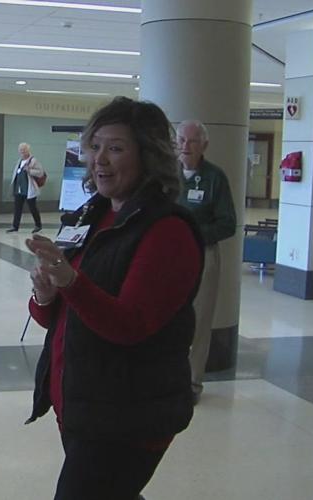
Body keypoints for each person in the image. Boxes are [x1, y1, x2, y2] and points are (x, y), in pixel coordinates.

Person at [24, 97, 204, 500]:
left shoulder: (167, 231)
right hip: (86, 406)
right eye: (96, 146)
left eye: (116, 148)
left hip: (129, 417)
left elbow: (131, 324)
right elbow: (59, 312)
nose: (99, 159)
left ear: (149, 155)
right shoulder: (95, 214)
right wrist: (45, 293)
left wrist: (71, 283)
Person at [175, 119, 236, 402]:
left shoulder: (214, 178)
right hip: (166, 255)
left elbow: (228, 224)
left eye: (193, 141)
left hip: (203, 254)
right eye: (182, 140)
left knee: (199, 321)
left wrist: (194, 233)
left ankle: (192, 383)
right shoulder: (165, 175)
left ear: (204, 145)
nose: (186, 146)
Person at [7, 142, 44, 233]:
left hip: (29, 189)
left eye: (24, 150)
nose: (22, 152)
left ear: (28, 150)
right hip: (19, 189)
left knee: (32, 208)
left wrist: (30, 171)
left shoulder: (33, 160)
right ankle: (15, 226)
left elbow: (40, 173)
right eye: (21, 150)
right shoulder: (19, 161)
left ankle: (38, 225)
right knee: (17, 208)